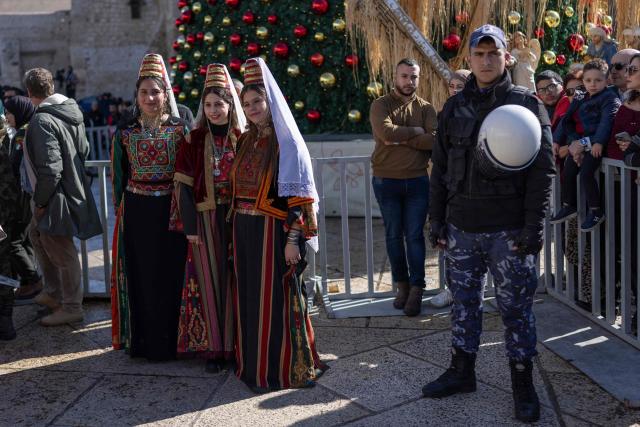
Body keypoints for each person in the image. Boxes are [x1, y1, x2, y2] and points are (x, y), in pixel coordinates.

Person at [423, 25, 555, 423]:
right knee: (464, 304)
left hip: (508, 230)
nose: (485, 61)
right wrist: (438, 220)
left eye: (492, 54)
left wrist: (534, 229)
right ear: (469, 60)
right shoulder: (453, 107)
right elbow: (440, 168)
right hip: (462, 226)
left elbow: (542, 173)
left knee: (516, 310)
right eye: (478, 54)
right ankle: (462, 372)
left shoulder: (527, 105)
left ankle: (522, 384)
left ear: (505, 58)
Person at [230, 57, 326, 393]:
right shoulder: (246, 140)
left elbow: (299, 198)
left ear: (271, 101)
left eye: (258, 101)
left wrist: (293, 239)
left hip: (273, 233)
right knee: (250, 299)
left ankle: (282, 368)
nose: (253, 108)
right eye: (247, 103)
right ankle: (254, 365)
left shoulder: (287, 143)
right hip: (244, 232)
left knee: (277, 301)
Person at [110, 54, 188, 360]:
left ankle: (174, 342)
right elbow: (119, 176)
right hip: (138, 212)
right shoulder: (125, 131)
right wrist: (121, 211)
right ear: (137, 97)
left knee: (172, 273)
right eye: (144, 93)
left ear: (165, 93)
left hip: (172, 211)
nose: (150, 97)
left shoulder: (181, 129)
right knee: (142, 275)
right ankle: (144, 342)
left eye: (155, 92)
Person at [172, 63, 246, 372]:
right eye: (209, 104)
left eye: (220, 104)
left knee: (237, 282)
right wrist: (190, 228)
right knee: (209, 283)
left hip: (240, 220)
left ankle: (238, 346)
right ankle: (215, 350)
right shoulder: (193, 139)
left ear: (231, 105)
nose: (214, 110)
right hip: (205, 221)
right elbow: (183, 188)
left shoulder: (243, 137)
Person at [22, 67, 101, 326]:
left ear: (29, 92)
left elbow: (50, 169)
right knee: (36, 233)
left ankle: (71, 306)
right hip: (70, 188)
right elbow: (84, 148)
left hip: (56, 196)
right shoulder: (71, 112)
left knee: (62, 249)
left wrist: (42, 202)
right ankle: (53, 292)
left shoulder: (42, 121)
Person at [369, 58, 438, 316]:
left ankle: (417, 288)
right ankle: (403, 285)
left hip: (418, 180)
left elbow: (433, 141)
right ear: (395, 77)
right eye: (404, 76)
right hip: (386, 180)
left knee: (415, 236)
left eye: (414, 77)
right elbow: (386, 134)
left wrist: (403, 137)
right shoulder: (381, 104)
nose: (409, 81)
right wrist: (415, 132)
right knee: (393, 235)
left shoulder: (427, 108)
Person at [550, 59, 621, 230]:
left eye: (598, 80)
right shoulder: (581, 96)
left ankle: (596, 210)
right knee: (568, 169)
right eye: (588, 80)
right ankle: (569, 205)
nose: (593, 84)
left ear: (607, 80)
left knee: (586, 173)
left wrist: (597, 142)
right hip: (581, 142)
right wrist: (558, 140)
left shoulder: (609, 98)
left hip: (596, 145)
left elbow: (606, 123)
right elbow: (566, 120)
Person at [431, 69, 471, 309]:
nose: (455, 91)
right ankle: (449, 288)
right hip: (448, 187)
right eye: (452, 86)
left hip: (472, 191)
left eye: (460, 86)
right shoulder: (445, 112)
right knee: (446, 242)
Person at [0, 96, 42, 299]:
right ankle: (28, 283)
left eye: (9, 113)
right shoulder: (21, 132)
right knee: (24, 240)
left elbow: (16, 168)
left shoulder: (23, 134)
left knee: (13, 240)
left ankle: (33, 280)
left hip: (20, 196)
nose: (6, 117)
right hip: (22, 195)